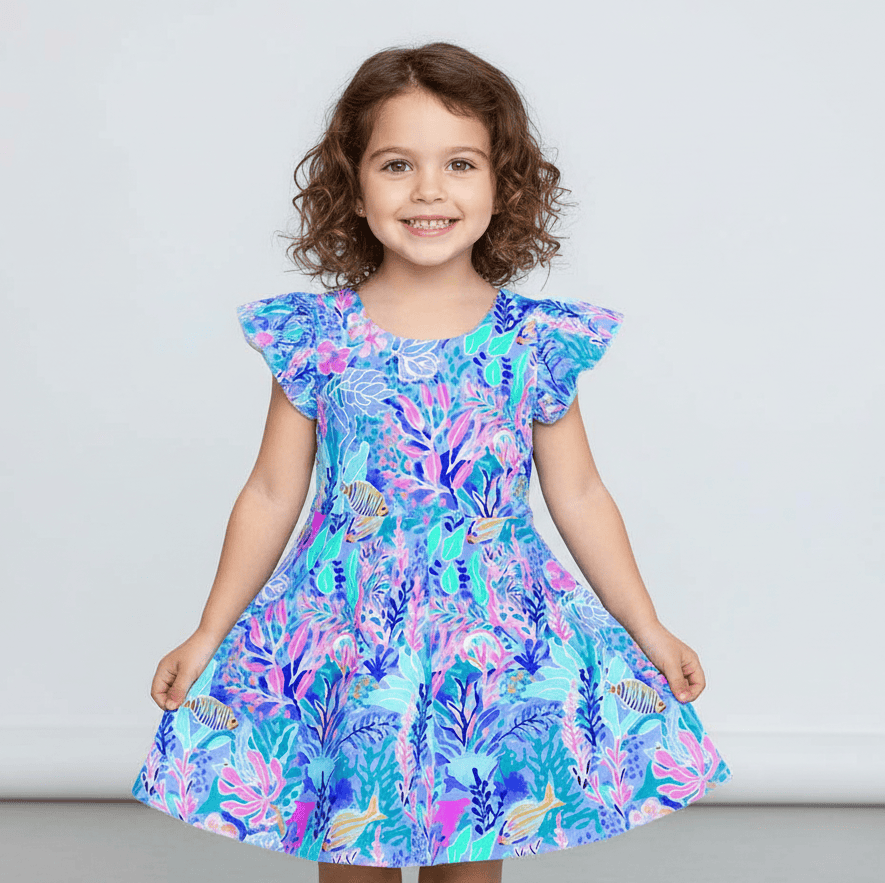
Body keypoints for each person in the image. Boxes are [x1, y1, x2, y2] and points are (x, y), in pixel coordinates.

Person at [131, 40, 732, 883]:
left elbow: (579, 494)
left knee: (470, 849)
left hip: (490, 645)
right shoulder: (317, 336)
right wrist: (208, 632)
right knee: (354, 843)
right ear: (352, 187)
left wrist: (647, 627)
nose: (427, 190)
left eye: (459, 163)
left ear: (502, 184)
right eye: (396, 164)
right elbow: (270, 491)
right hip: (347, 636)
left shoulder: (532, 341)